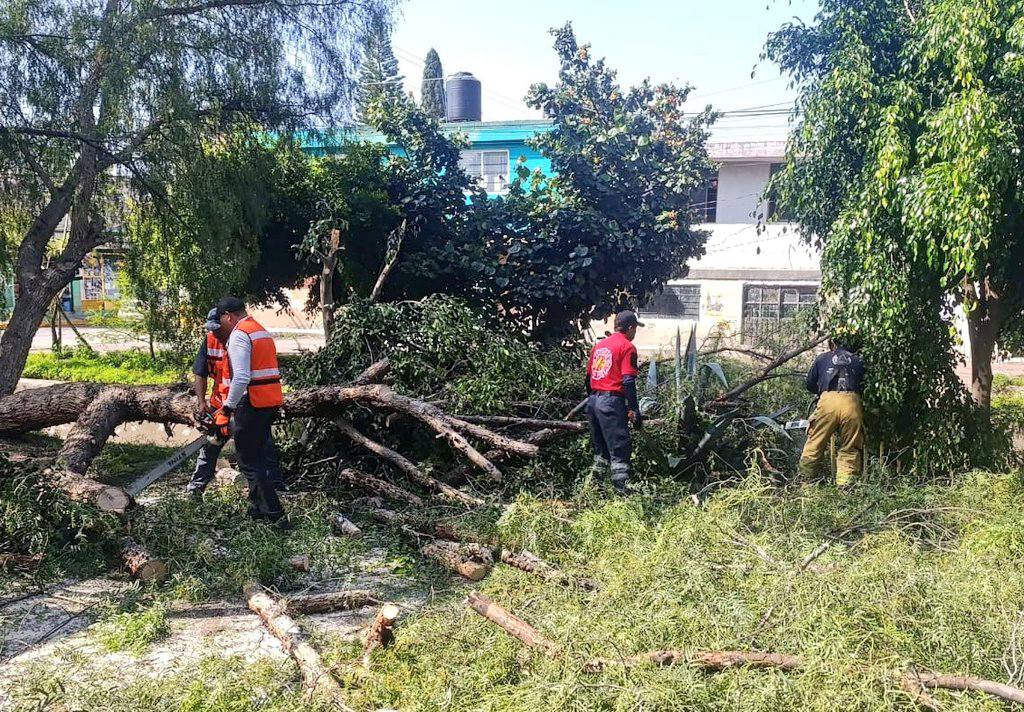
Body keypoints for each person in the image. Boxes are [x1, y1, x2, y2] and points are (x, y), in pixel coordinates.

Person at [186, 307, 286, 498]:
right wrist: (202, 402)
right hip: (220, 403)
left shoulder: (243, 338)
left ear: (228, 321)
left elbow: (243, 378)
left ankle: (275, 487)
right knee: (211, 445)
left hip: (245, 403)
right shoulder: (210, 340)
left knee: (262, 445)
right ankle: (196, 488)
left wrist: (230, 408)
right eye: (213, 329)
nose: (216, 333)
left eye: (219, 328)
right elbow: (200, 372)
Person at [215, 296, 289, 524]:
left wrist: (226, 409)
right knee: (257, 456)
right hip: (269, 401)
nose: (221, 326)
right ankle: (256, 511)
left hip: (252, 402)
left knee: (247, 460)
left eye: (222, 321)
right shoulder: (260, 330)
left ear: (228, 316)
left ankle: (274, 514)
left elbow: (241, 378)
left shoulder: (240, 334)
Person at [586, 310, 644, 495]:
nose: (635, 334)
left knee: (601, 450)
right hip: (611, 402)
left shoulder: (599, 346)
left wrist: (595, 397)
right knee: (620, 447)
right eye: (635, 329)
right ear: (630, 327)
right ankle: (622, 492)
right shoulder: (627, 347)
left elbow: (588, 378)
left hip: (593, 401)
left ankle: (597, 490)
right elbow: (628, 380)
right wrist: (634, 409)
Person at [798, 334, 866, 487]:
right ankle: (845, 487)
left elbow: (809, 384)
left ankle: (806, 485)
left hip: (828, 402)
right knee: (850, 446)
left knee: (815, 443)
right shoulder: (859, 361)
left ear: (832, 343)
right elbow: (864, 385)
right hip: (852, 403)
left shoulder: (822, 358)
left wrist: (823, 392)